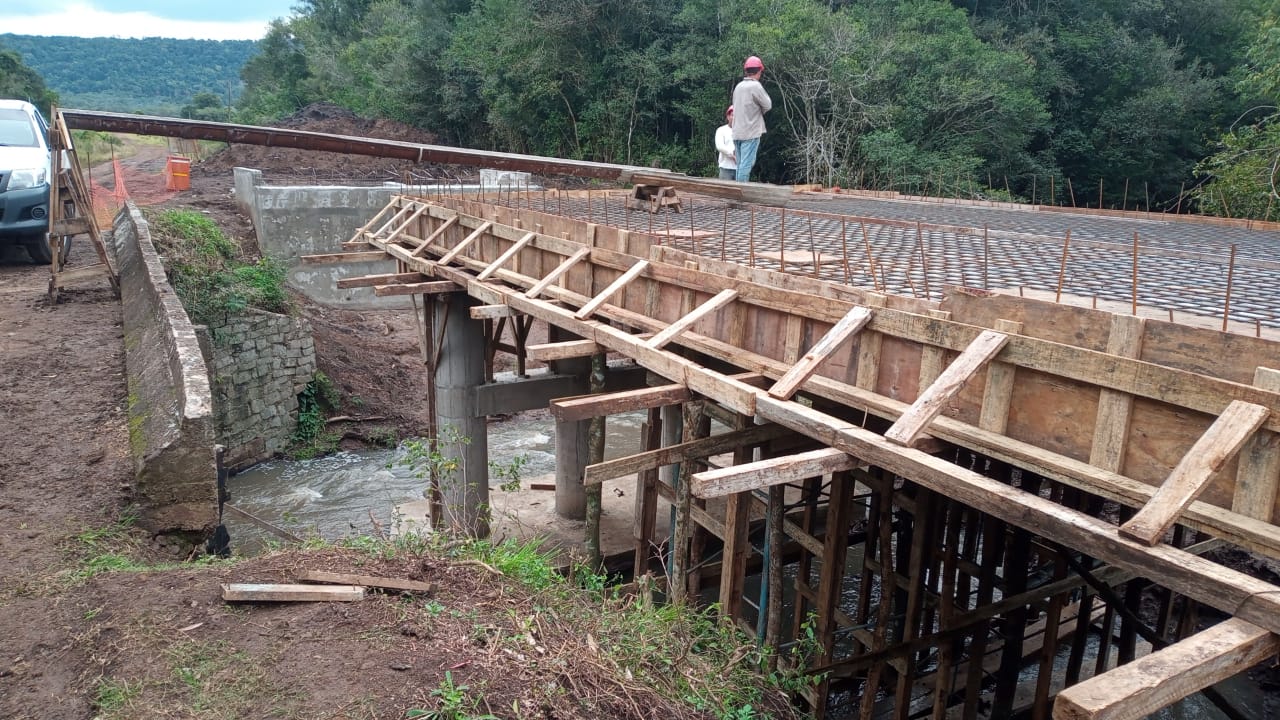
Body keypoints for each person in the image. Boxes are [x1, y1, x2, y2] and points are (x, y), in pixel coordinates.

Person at [731, 55, 771, 182]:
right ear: (759, 71)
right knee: (746, 165)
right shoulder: (755, 86)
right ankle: (741, 191)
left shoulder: (738, 87)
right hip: (750, 132)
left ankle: (737, 189)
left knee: (740, 165)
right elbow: (768, 105)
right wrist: (759, 111)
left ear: (746, 71)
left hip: (737, 132)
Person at [715, 105, 736, 180]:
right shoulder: (721, 130)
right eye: (733, 115)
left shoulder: (744, 132)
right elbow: (720, 146)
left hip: (741, 170)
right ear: (728, 117)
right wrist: (733, 155)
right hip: (725, 168)